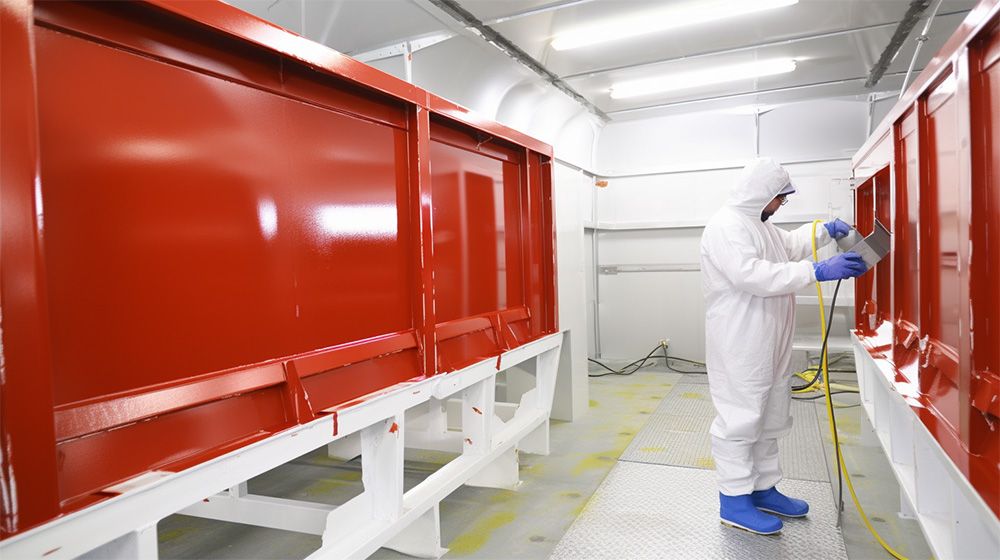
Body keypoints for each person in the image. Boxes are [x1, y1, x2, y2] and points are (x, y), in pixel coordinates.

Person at [699, 158, 866, 535]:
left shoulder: (763, 226)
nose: (780, 205)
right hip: (740, 339)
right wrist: (817, 271)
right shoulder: (725, 226)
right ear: (761, 194)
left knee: (771, 415)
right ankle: (734, 499)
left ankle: (763, 488)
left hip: (771, 338)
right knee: (740, 418)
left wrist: (825, 230)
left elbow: (789, 245)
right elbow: (751, 274)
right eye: (779, 198)